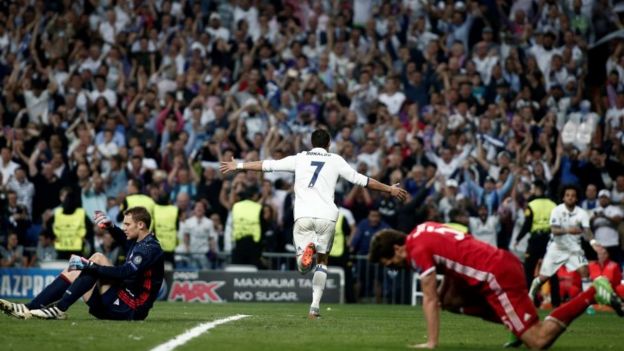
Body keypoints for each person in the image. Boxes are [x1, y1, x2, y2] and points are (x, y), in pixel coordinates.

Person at [220, 128, 408, 319]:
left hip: (303, 215)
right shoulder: (336, 160)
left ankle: (304, 256)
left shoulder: (300, 158)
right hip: (327, 216)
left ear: (312, 143)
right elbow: (363, 180)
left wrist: (239, 165)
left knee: (302, 268)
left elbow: (268, 165)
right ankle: (314, 308)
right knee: (323, 261)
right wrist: (389, 189)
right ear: (329, 145)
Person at [368, 221, 623, 349]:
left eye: (389, 260)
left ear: (397, 247)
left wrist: (432, 343)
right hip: (499, 262)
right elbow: (454, 263)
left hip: (495, 277)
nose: (391, 266)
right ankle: (514, 325)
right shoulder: (423, 228)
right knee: (450, 301)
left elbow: (430, 297)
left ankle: (593, 291)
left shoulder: (415, 250)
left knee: (538, 340)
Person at [0, 207, 164, 321]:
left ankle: (60, 308)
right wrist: (110, 226)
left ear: (141, 225)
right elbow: (123, 238)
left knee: (96, 259)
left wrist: (91, 267)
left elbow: (125, 272)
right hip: (117, 302)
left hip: (132, 308)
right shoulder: (139, 242)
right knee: (78, 265)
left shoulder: (150, 248)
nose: (124, 227)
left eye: (127, 224)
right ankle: (30, 307)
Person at [527, 185, 599, 306]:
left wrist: (593, 242)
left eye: (573, 196)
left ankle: (588, 305)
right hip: (557, 247)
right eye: (567, 195)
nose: (570, 198)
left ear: (576, 199)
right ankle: (533, 288)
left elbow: (587, 230)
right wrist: (568, 230)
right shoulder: (557, 210)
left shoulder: (582, 213)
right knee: (544, 277)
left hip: (574, 248)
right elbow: (554, 230)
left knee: (585, 272)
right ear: (563, 197)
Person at [513, 180, 559, 306]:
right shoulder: (553, 204)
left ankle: (530, 300)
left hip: (535, 240)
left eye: (533, 188)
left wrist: (518, 238)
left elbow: (527, 224)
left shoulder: (532, 204)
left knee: (529, 270)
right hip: (549, 239)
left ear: (538, 189)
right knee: (552, 271)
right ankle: (556, 302)